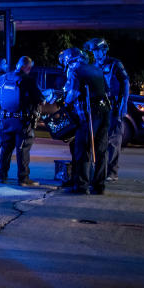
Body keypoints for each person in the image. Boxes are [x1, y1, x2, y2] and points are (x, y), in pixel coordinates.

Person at [59, 47, 110, 195]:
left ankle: (81, 185)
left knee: (83, 148)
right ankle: (99, 185)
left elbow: (72, 94)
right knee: (101, 149)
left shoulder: (76, 71)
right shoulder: (96, 69)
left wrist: (65, 101)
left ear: (70, 60)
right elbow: (107, 91)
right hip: (104, 112)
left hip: (89, 114)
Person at [0, 56, 41, 187]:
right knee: (23, 150)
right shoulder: (28, 80)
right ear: (27, 67)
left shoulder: (2, 78)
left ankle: (2, 176)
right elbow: (39, 99)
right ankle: (23, 179)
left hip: (5, 120)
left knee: (6, 149)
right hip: (22, 122)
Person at [84, 38, 129, 182]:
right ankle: (100, 171)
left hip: (114, 106)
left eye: (97, 50)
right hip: (100, 106)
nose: (96, 54)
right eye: (94, 51)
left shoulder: (115, 64)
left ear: (104, 50)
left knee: (113, 140)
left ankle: (112, 172)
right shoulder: (94, 66)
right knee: (100, 140)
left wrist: (123, 105)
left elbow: (125, 83)